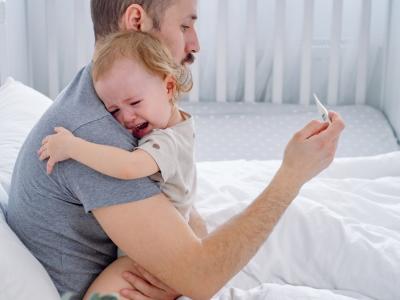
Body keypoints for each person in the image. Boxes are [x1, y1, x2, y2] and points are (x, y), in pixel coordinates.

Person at [6, 1, 345, 300]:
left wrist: (177, 266)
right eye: (185, 25)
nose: (194, 44)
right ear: (137, 21)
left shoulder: (98, 96)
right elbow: (201, 278)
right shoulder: (95, 140)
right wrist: (291, 176)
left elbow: (176, 199)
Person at [38, 30, 197, 224]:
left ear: (168, 87)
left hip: (160, 239)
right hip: (170, 227)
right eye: (114, 111)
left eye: (135, 102)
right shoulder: (182, 123)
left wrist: (72, 147)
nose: (127, 117)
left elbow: (129, 166)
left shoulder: (166, 141)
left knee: (120, 258)